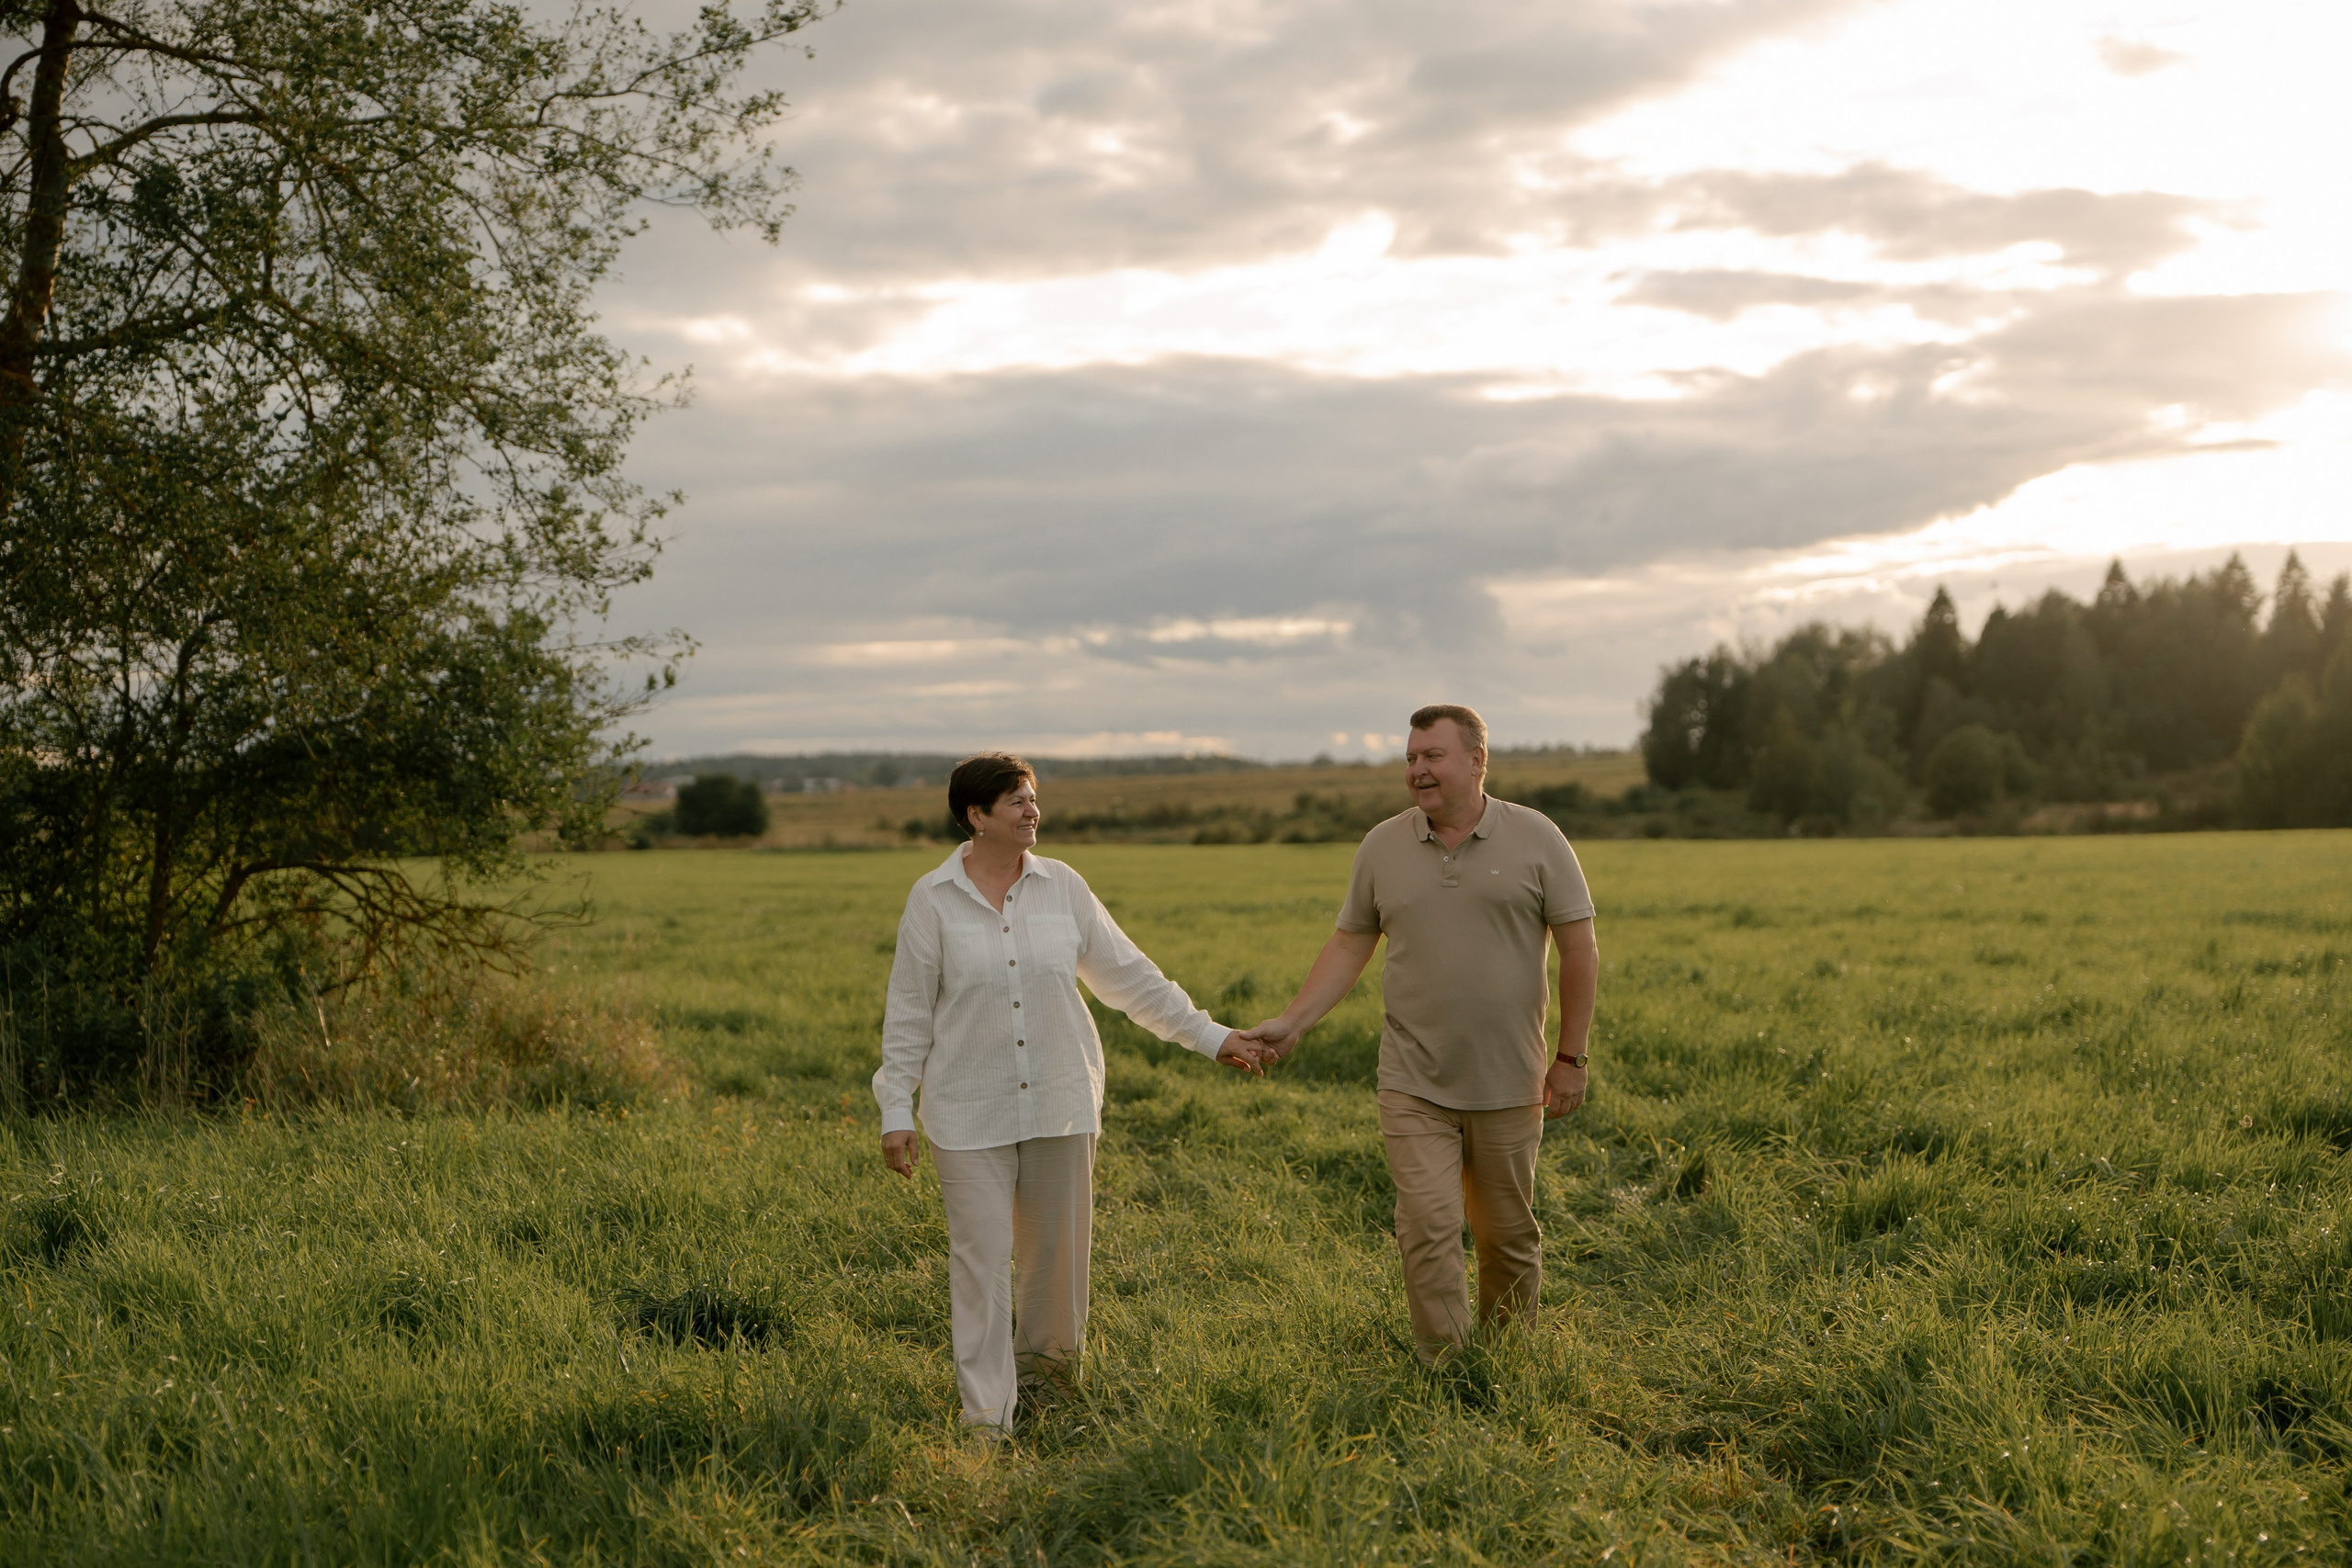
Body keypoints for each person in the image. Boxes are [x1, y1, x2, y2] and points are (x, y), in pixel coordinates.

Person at [874, 751, 1267, 1438]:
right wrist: (894, 1109)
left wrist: (1211, 1035)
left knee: (1056, 1265)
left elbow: (1130, 978)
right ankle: (986, 1422)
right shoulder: (931, 898)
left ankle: (1052, 1397)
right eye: (1017, 801)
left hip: (1060, 1098)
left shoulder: (1063, 887)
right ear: (977, 815)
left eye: (1034, 798)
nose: (1033, 811)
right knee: (981, 1266)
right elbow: (909, 1011)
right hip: (968, 1111)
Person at [1240, 705, 1599, 1362]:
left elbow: (1580, 950)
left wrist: (1570, 1058)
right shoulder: (1383, 845)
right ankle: (1447, 1366)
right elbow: (1351, 944)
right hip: (1413, 1080)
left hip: (1509, 1079)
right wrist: (1291, 1023)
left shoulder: (1538, 837)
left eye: (1432, 755)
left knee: (1508, 1235)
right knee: (1428, 1226)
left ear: (1477, 760)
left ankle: (1506, 1360)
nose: (1417, 769)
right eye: (1410, 757)